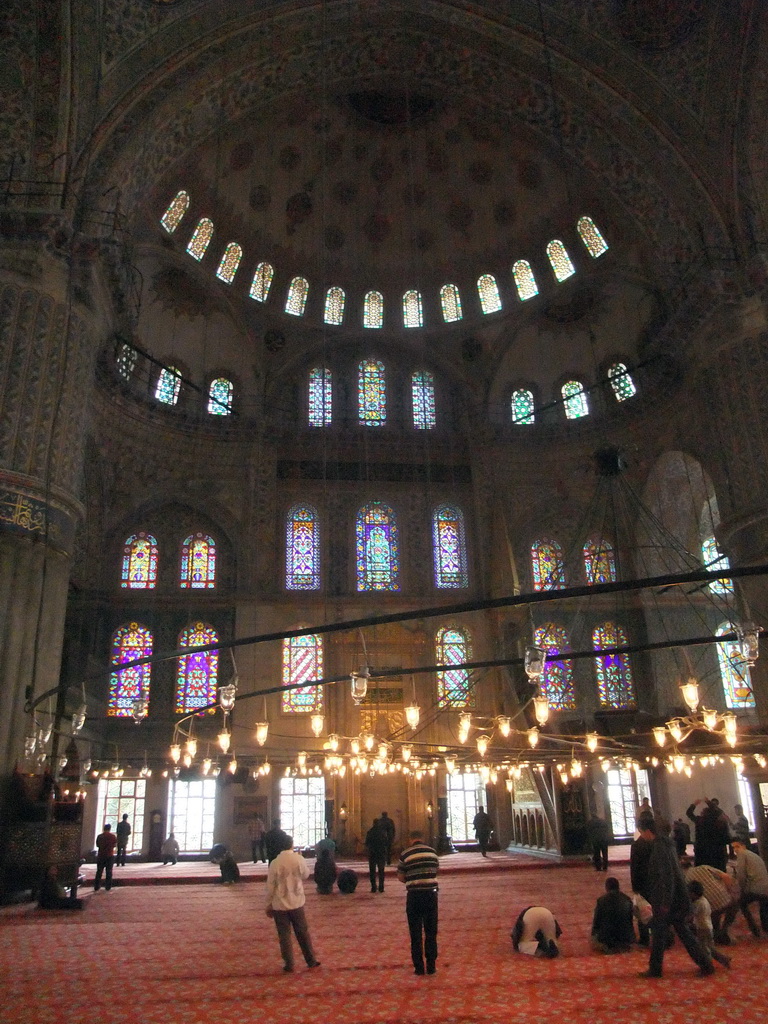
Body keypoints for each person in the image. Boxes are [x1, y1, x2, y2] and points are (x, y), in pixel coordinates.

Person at [634, 813, 714, 978]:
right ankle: (705, 964)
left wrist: (663, 903)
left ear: (648, 831)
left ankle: (656, 969)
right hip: (675, 899)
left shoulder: (659, 848)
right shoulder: (666, 844)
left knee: (662, 935)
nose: (641, 836)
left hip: (668, 901)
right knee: (679, 934)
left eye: (641, 832)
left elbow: (666, 877)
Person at [265, 833, 320, 972]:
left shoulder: (275, 862)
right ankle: (311, 960)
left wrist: (268, 904)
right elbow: (306, 875)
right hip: (296, 902)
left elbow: (270, 886)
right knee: (302, 932)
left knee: (284, 935)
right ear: (291, 845)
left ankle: (289, 964)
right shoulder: (298, 859)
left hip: (280, 904)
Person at [398, 830, 440, 975]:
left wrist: (412, 878)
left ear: (411, 839)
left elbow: (401, 877)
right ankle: (431, 965)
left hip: (414, 896)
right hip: (431, 895)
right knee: (431, 932)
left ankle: (419, 967)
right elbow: (435, 871)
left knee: (415, 933)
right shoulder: (432, 853)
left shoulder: (406, 854)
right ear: (422, 838)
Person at [687, 879, 731, 969]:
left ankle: (707, 964)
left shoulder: (698, 903)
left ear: (693, 893)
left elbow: (692, 915)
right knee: (710, 947)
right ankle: (723, 959)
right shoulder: (704, 900)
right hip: (708, 926)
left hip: (702, 928)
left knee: (703, 948)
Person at [729, 840, 768, 936]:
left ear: (743, 846)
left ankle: (754, 929)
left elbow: (741, 875)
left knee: (740, 903)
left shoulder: (742, 855)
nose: (735, 850)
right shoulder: (754, 855)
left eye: (737, 847)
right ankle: (765, 928)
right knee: (763, 905)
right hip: (765, 887)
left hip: (755, 888)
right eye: (733, 848)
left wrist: (742, 890)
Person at [590, 876, 635, 953]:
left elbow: (597, 921)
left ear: (606, 887)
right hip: (626, 936)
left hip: (607, 937)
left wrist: (594, 934)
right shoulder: (627, 899)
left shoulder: (601, 900)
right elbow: (630, 919)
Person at [686, 798, 729, 871]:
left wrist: (694, 804)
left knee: (703, 873)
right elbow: (718, 812)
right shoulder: (716, 823)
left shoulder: (699, 821)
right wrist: (709, 803)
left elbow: (689, 813)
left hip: (702, 852)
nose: (701, 813)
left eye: (702, 812)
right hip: (716, 852)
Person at [365, 817, 388, 893]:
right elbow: (386, 843)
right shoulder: (382, 832)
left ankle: (373, 887)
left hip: (372, 854)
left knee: (372, 871)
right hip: (381, 854)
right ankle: (381, 887)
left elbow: (367, 843)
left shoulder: (370, 832)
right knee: (381, 871)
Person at [94, 823, 117, 892]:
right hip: (109, 855)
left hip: (101, 855)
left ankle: (96, 886)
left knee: (99, 871)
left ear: (104, 829)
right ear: (109, 829)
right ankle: (108, 886)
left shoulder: (100, 836)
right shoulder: (113, 836)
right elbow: (114, 845)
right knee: (109, 871)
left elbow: (97, 845)